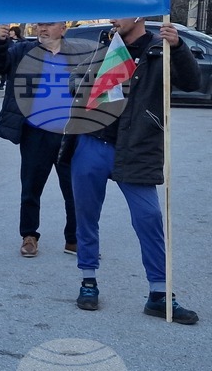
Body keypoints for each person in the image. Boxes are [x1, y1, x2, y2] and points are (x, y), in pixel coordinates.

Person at [70, 17, 200, 324]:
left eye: (121, 13)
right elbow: (78, 84)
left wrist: (179, 47)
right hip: (94, 142)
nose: (114, 19)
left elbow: (193, 83)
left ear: (139, 16)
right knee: (86, 216)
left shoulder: (160, 48)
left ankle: (159, 294)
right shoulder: (104, 45)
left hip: (137, 147)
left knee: (149, 218)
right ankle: (88, 282)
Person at [0, 21, 88, 258]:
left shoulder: (77, 54)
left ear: (63, 28)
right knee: (31, 188)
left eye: (49, 24)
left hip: (69, 134)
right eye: (40, 24)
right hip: (35, 133)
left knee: (74, 190)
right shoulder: (22, 51)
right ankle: (29, 235)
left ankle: (73, 239)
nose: (43, 28)